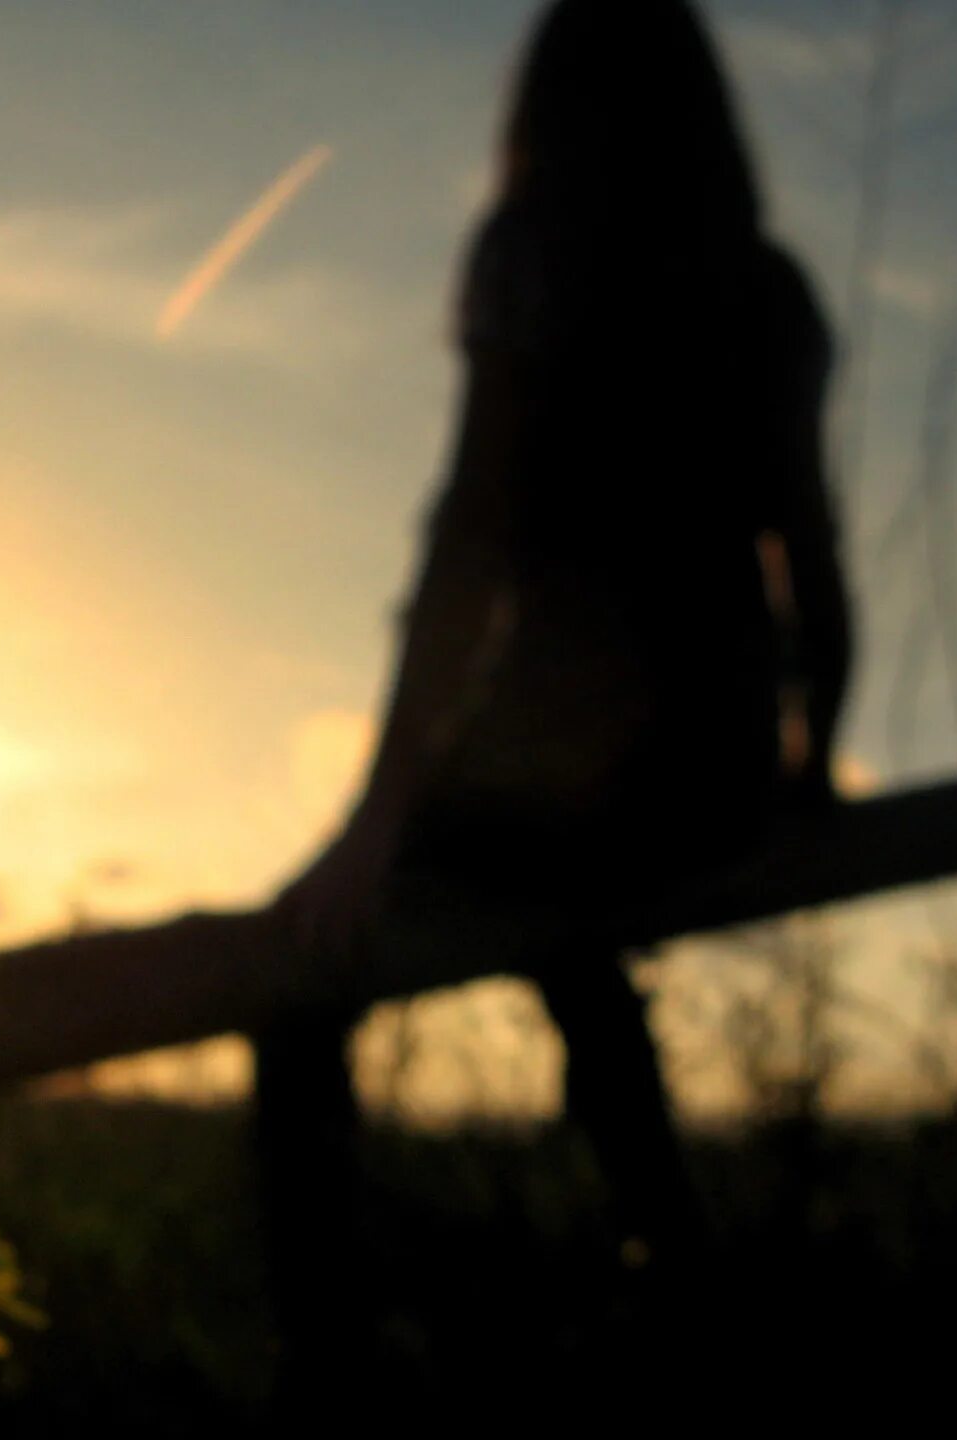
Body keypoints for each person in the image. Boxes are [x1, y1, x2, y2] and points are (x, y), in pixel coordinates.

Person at [254, 0, 855, 1325]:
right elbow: (806, 550)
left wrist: (375, 817)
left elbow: (470, 541)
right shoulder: (771, 291)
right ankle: (668, 1245)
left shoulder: (535, 255)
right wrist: (811, 767)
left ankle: (324, 1343)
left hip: (574, 771)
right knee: (565, 927)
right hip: (718, 767)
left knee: (300, 965)